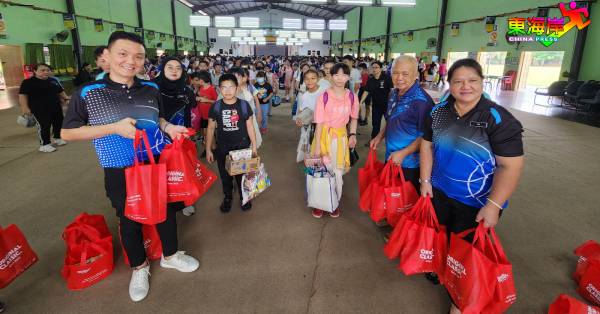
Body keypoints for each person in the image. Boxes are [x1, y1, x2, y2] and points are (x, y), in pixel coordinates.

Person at [61, 31, 200, 302]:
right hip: (119, 168)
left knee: (167, 211)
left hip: (156, 161)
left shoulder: (151, 88)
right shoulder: (89, 92)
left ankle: (170, 255)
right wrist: (113, 128)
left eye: (138, 56)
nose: (131, 61)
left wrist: (170, 127)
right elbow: (68, 133)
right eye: (123, 54)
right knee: (130, 219)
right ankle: (139, 266)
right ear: (107, 56)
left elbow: (157, 118)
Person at [419, 59, 524, 314]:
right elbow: (427, 146)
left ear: (482, 82)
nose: (465, 86)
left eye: (472, 81)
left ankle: (460, 302)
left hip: (476, 202)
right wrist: (425, 181)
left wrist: (494, 206)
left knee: (467, 255)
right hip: (440, 192)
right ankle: (441, 270)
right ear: (450, 84)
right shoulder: (438, 112)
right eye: (458, 81)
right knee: (442, 238)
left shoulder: (498, 118)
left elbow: (510, 167)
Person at [311, 63, 359, 218]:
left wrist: (352, 135)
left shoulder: (352, 96)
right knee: (321, 172)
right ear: (330, 77)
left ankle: (334, 203)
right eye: (336, 75)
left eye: (344, 75)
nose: (340, 78)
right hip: (323, 137)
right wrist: (317, 146)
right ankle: (319, 204)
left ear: (348, 77)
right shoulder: (323, 96)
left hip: (341, 139)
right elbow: (318, 123)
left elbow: (354, 118)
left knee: (337, 173)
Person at [205, 73, 258, 213]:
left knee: (242, 175)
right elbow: (210, 129)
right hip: (223, 147)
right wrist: (209, 149)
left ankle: (244, 197)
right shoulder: (216, 107)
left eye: (231, 87)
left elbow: (250, 127)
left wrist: (253, 145)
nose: (227, 91)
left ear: (236, 88)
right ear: (219, 89)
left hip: (241, 146)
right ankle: (227, 197)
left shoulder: (244, 105)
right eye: (224, 87)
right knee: (225, 175)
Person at [154, 56, 197, 216]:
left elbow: (189, 111)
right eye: (170, 67)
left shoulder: (186, 90)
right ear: (162, 69)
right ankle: (162, 201)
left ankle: (185, 201)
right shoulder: (152, 88)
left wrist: (188, 132)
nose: (174, 71)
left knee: (181, 169)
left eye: (178, 68)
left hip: (180, 135)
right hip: (158, 137)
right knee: (162, 170)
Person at [18, 63, 69, 153]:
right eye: (42, 70)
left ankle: (57, 138)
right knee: (44, 125)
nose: (46, 72)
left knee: (59, 122)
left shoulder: (54, 80)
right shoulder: (28, 82)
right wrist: (25, 108)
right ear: (35, 71)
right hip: (38, 108)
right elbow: (22, 96)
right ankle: (44, 145)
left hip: (55, 106)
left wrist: (66, 99)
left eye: (48, 70)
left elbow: (61, 91)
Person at [227, 67, 263, 149]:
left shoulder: (249, 89)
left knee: (251, 142)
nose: (234, 80)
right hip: (234, 123)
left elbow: (256, 102)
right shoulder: (226, 92)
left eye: (236, 77)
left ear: (244, 78)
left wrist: (259, 114)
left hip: (250, 120)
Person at [361, 61, 393, 142]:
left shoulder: (387, 78)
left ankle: (391, 140)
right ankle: (374, 140)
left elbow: (392, 91)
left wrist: (393, 103)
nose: (374, 69)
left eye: (376, 67)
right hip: (376, 106)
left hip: (387, 106)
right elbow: (366, 91)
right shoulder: (370, 80)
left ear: (381, 68)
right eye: (373, 67)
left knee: (390, 124)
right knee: (375, 124)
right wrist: (360, 102)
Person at [190, 71, 218, 157]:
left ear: (204, 79)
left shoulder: (212, 89)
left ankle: (213, 149)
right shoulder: (201, 88)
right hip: (202, 115)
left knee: (209, 134)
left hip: (209, 115)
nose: (198, 81)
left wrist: (206, 100)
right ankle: (209, 149)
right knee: (206, 134)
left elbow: (217, 102)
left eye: (199, 79)